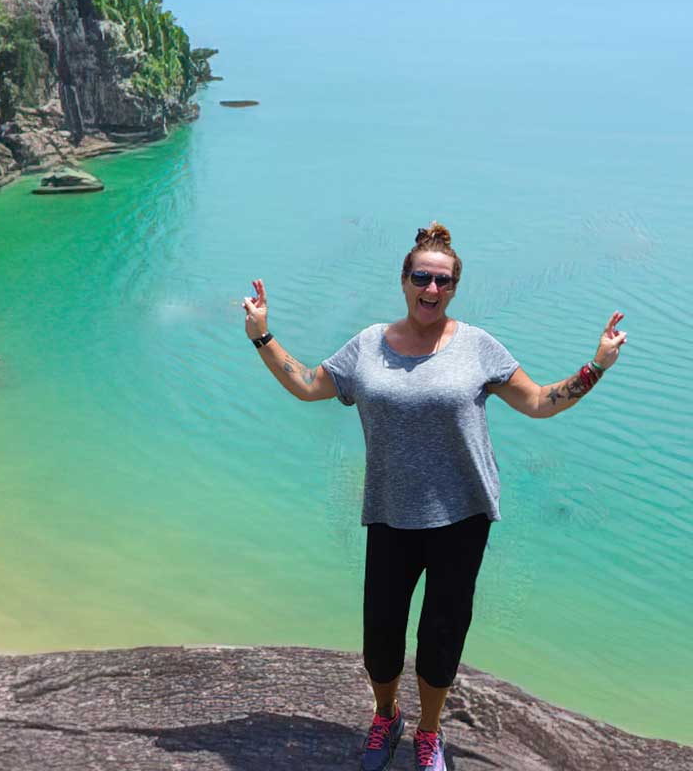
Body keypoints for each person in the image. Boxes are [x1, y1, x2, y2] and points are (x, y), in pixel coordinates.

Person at [241, 222, 627, 771]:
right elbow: (307, 384)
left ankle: (428, 731)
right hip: (390, 512)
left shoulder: (477, 346)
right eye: (421, 277)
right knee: (380, 634)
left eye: (442, 282)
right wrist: (262, 334)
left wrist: (596, 366)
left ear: (453, 289)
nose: (431, 289)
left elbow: (540, 401)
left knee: (442, 634)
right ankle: (386, 715)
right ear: (403, 281)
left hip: (462, 515)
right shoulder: (367, 346)